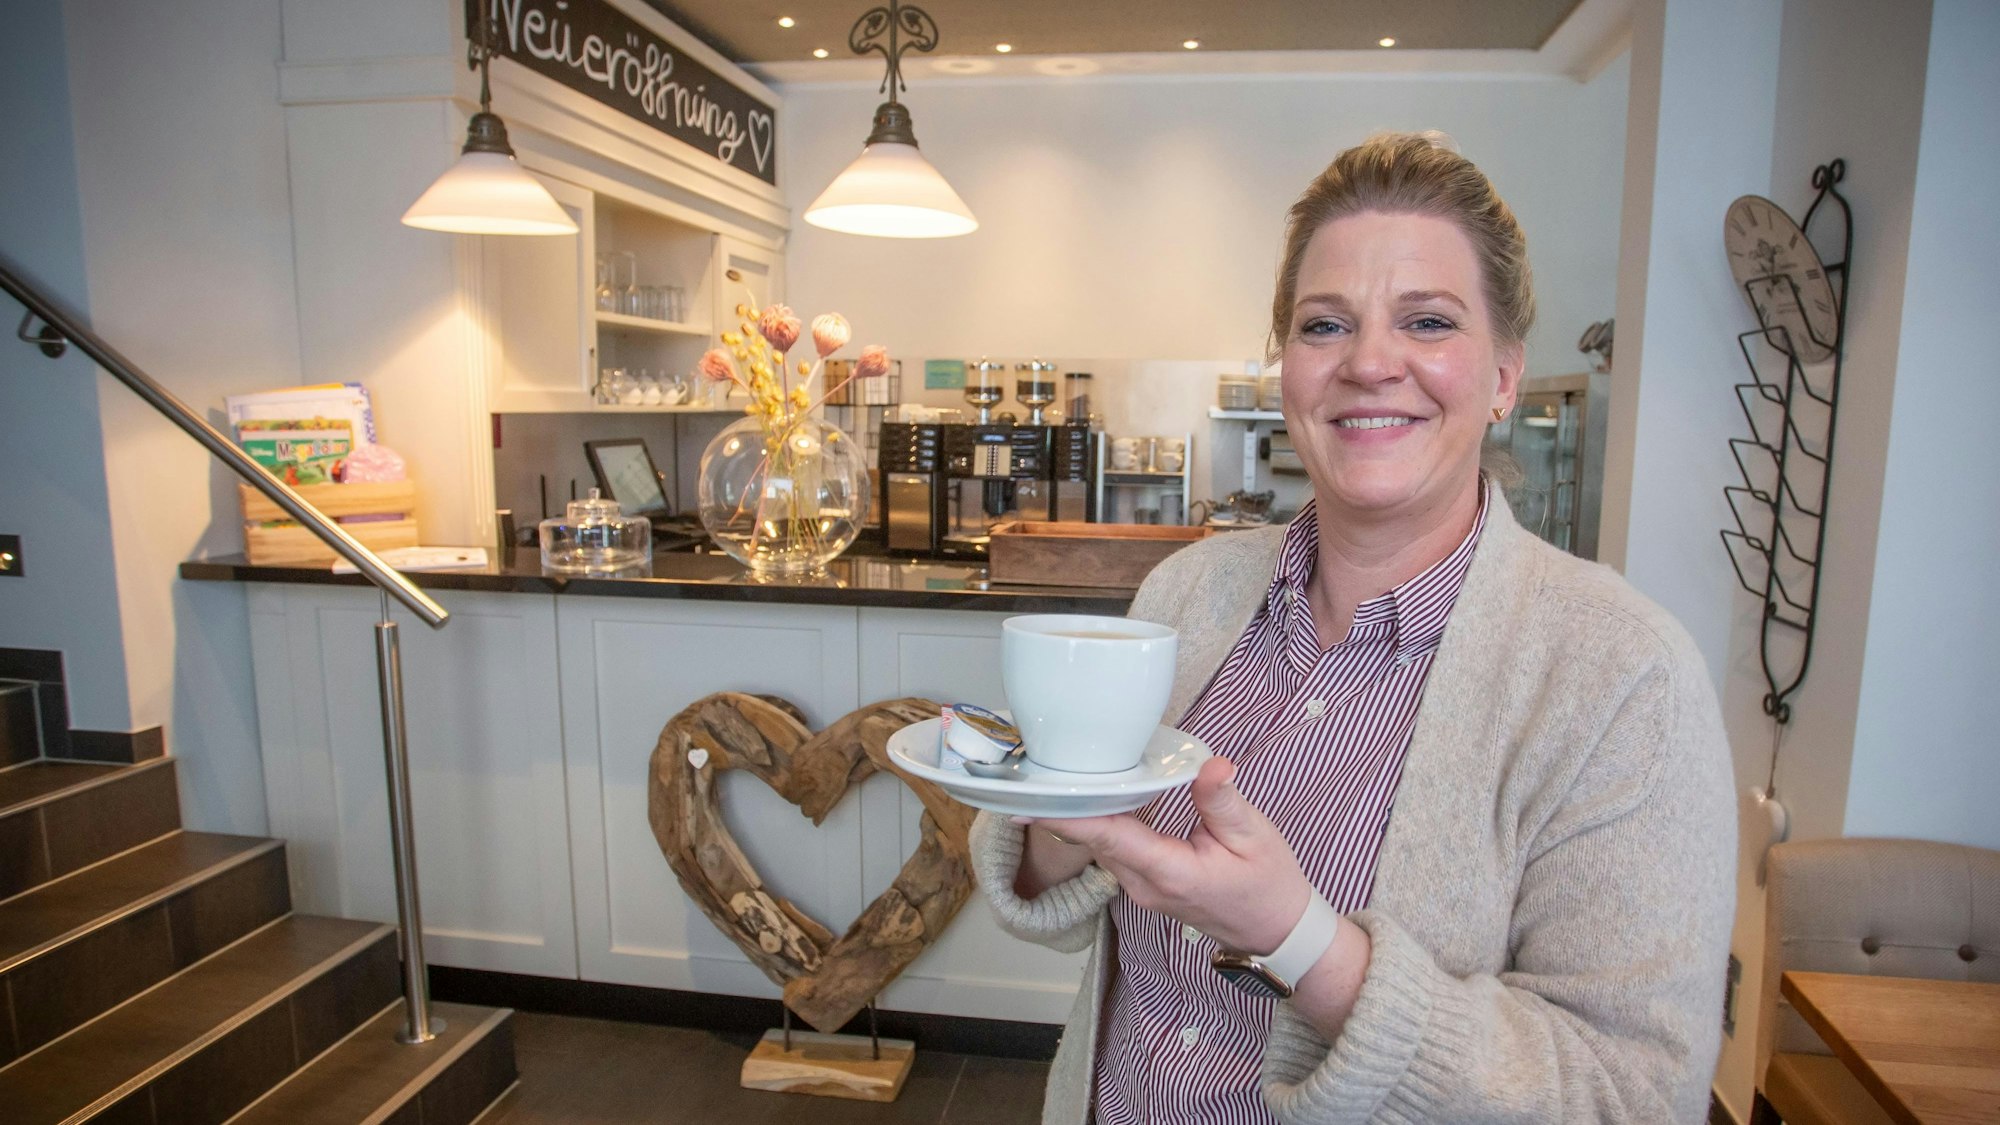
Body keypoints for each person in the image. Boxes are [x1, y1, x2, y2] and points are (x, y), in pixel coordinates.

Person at [969, 132, 1736, 1124]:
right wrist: (1058, 825)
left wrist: (1300, 942)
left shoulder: (1621, 676)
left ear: (1502, 377)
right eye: (1324, 325)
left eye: (1425, 321)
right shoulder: (1185, 596)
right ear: (1284, 366)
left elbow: (1627, 1095)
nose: (1369, 363)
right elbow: (1055, 904)